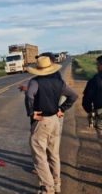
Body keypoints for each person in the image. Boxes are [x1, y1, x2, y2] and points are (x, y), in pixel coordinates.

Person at [25, 56, 78, 194]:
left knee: (39, 157)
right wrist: (62, 108)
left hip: (41, 122)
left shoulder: (35, 82)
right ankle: (57, 184)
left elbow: (30, 96)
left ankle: (48, 189)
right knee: (54, 154)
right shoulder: (59, 82)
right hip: (55, 120)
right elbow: (73, 96)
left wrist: (32, 113)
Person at [82, 55, 102, 128]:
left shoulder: (95, 80)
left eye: (98, 64)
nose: (97, 67)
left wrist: (90, 111)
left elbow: (87, 98)